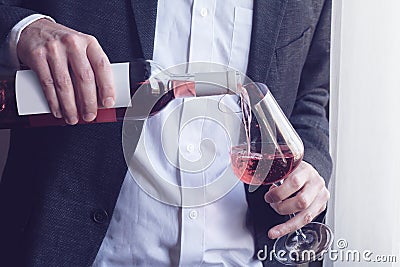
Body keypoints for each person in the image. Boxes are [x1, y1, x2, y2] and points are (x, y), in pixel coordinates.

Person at [0, 0, 332, 266]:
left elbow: (311, 93)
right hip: (85, 253)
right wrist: (24, 29)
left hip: (245, 255)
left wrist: (311, 167)